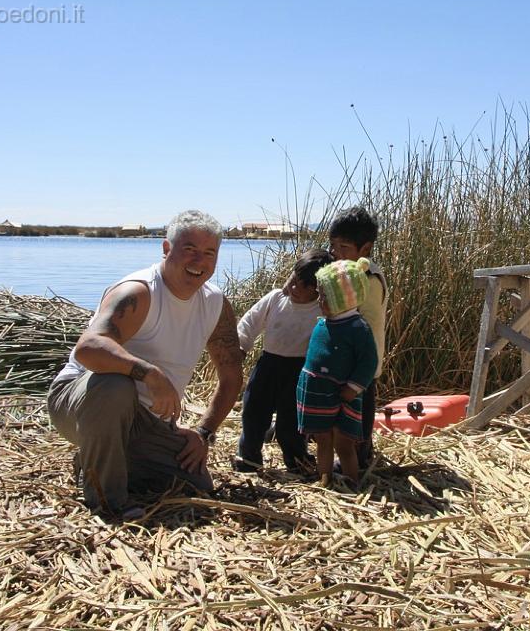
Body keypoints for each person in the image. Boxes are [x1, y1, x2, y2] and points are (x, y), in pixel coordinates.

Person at [47, 210, 243, 518]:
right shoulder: (139, 292)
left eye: (209, 253)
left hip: (145, 420)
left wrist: (204, 432)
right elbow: (88, 348)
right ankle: (107, 502)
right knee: (115, 385)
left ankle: (98, 459)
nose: (198, 261)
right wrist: (149, 373)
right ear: (167, 249)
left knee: (196, 484)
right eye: (189, 249)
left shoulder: (215, 305)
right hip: (82, 401)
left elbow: (231, 375)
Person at [233, 249, 333, 474]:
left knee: (291, 424)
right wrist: (240, 347)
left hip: (299, 372)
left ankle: (297, 461)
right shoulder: (276, 298)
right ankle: (248, 459)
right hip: (268, 366)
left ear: (319, 289)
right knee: (253, 413)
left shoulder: (322, 310)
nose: (296, 288)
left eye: (306, 287)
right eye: (295, 280)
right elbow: (250, 322)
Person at [297, 258, 378, 486]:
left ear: (342, 299)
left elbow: (369, 361)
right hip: (319, 392)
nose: (319, 299)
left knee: (344, 442)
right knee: (322, 439)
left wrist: (354, 387)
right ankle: (325, 480)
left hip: (343, 394)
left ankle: (351, 482)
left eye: (324, 296)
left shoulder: (357, 328)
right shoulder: (325, 322)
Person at [328, 207, 387, 471]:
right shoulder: (343, 271)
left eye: (344, 247)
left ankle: (361, 452)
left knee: (362, 409)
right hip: (342, 357)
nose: (336, 253)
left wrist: (362, 366)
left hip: (364, 361)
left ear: (365, 249)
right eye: (332, 246)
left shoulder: (368, 279)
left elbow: (370, 324)